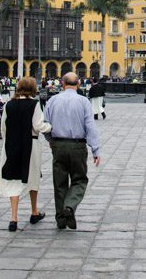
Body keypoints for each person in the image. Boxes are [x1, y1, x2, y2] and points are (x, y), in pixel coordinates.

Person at [43, 72, 101, 230]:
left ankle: (61, 219)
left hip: (58, 145)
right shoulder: (83, 101)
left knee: (59, 182)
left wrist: (51, 140)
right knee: (79, 179)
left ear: (62, 83)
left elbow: (44, 124)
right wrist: (95, 149)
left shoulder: (52, 100)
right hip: (77, 145)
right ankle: (69, 206)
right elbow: (90, 126)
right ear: (79, 83)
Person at [0, 77, 52, 232]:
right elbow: (38, 125)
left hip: (12, 145)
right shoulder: (34, 104)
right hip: (31, 144)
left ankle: (13, 218)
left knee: (13, 179)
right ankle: (34, 211)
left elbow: (3, 127)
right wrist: (50, 127)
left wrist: (8, 141)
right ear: (33, 89)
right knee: (33, 177)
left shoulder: (9, 104)